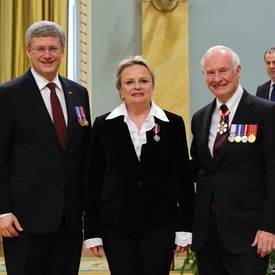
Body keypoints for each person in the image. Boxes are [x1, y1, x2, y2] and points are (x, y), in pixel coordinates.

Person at [83, 55, 195, 275]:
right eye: (129, 82)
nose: (137, 87)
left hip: (161, 223)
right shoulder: (103, 124)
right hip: (115, 223)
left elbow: (182, 178)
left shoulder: (172, 123)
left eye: (143, 81)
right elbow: (93, 180)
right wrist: (92, 230)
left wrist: (184, 228)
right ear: (120, 88)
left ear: (153, 86)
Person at [0, 21, 91, 275]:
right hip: (24, 219)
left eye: (53, 48)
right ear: (28, 51)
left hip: (70, 219)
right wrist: (2, 211)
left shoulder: (78, 93)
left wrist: (87, 206)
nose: (47, 55)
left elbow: (83, 154)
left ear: (62, 50)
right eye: (40, 49)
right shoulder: (9, 94)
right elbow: (1, 158)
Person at [190, 45, 275, 275]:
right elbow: (198, 168)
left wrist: (269, 227)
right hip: (207, 235)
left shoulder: (265, 112)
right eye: (210, 72)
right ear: (204, 76)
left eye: (223, 71)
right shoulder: (199, 118)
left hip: (249, 234)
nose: (217, 78)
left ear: (238, 71)